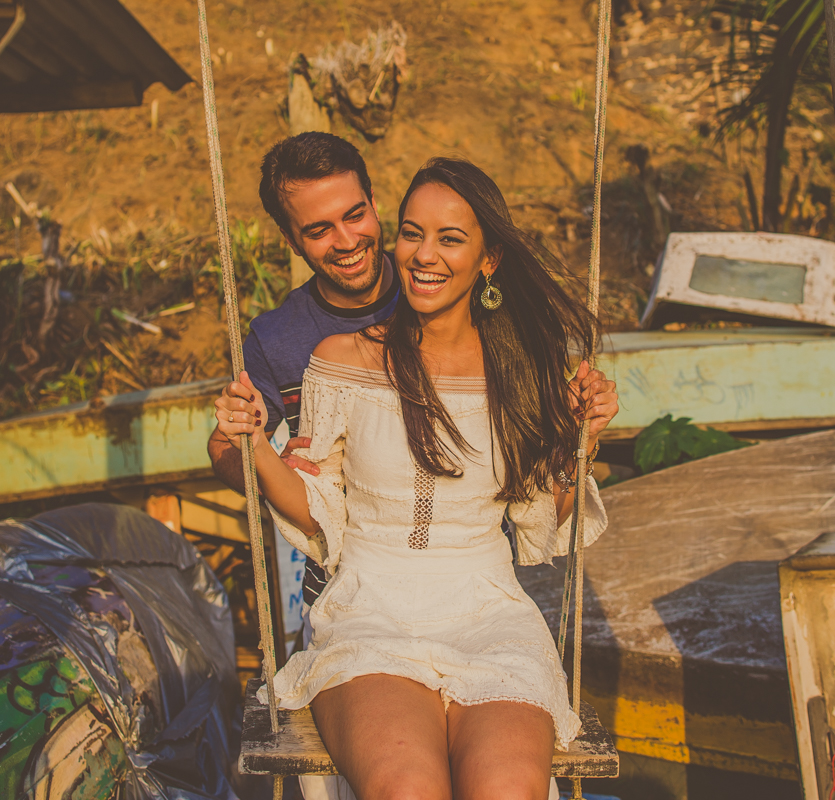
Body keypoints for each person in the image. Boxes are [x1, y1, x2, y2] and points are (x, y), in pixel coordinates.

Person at [215, 157, 619, 800]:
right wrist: (254, 443)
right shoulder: (340, 360)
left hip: (490, 611)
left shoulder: (524, 369)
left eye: (449, 238)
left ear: (488, 260)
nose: (424, 254)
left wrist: (583, 441)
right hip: (369, 609)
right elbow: (318, 507)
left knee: (506, 789)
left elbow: (543, 516)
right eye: (413, 233)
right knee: (406, 788)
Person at [208, 131, 399, 611]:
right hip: (343, 586)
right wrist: (269, 465)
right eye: (318, 231)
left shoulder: (437, 291)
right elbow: (224, 447)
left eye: (354, 215)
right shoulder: (274, 340)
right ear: (292, 241)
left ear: (374, 204)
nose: (346, 241)